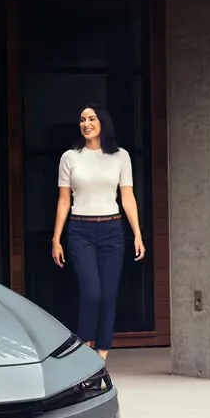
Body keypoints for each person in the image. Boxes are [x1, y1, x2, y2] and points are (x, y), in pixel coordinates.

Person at [50, 105, 146, 360]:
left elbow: (127, 197)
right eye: (82, 119)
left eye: (91, 119)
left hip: (112, 230)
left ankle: (101, 354)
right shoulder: (70, 157)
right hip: (80, 229)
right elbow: (63, 201)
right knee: (91, 292)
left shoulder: (120, 156)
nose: (86, 124)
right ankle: (84, 348)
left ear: (103, 122)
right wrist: (56, 239)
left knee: (109, 295)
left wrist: (137, 233)